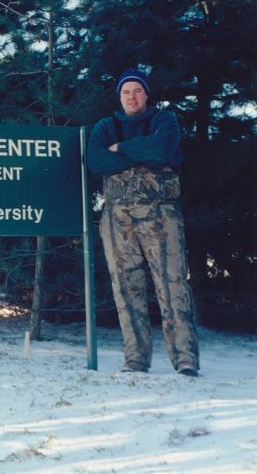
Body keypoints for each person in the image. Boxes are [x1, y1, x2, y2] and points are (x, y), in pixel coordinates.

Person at [87, 68, 200, 377]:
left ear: (146, 95)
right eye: (126, 91)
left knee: (173, 284)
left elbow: (163, 148)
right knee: (126, 288)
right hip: (117, 219)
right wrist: (143, 151)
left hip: (161, 215)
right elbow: (96, 160)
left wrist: (122, 148)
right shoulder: (106, 126)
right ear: (119, 96)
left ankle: (185, 358)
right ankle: (136, 359)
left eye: (137, 90)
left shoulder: (163, 120)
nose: (132, 96)